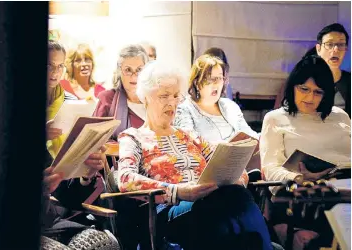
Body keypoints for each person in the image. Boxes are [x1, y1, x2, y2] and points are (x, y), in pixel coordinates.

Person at [117, 60, 273, 250]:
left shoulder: (190, 136)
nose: (171, 103)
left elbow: (226, 162)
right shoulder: (133, 137)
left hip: (209, 208)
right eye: (164, 96)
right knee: (221, 211)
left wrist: (239, 177)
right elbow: (125, 179)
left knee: (235, 195)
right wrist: (179, 191)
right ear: (146, 98)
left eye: (175, 96)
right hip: (168, 211)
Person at [260, 55, 350, 250]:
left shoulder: (340, 116)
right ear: (292, 86)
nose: (310, 98)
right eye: (304, 89)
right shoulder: (276, 118)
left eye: (318, 92)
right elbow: (270, 169)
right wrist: (299, 177)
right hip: (305, 197)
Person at [174, 54, 259, 144]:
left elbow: (249, 134)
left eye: (219, 78)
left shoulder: (230, 106)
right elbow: (189, 143)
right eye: (210, 79)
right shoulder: (184, 109)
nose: (216, 83)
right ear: (197, 83)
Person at [275, 23, 350, 117]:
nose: (335, 49)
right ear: (318, 49)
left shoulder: (348, 82)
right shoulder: (298, 79)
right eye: (329, 44)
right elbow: (280, 116)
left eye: (341, 45)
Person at [93, 44, 149, 139]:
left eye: (139, 70)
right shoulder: (107, 99)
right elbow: (93, 138)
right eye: (128, 70)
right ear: (120, 71)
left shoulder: (156, 101)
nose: (134, 76)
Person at [46, 40, 78, 158]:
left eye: (60, 66)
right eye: (49, 65)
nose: (55, 71)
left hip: (66, 170)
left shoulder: (72, 102)